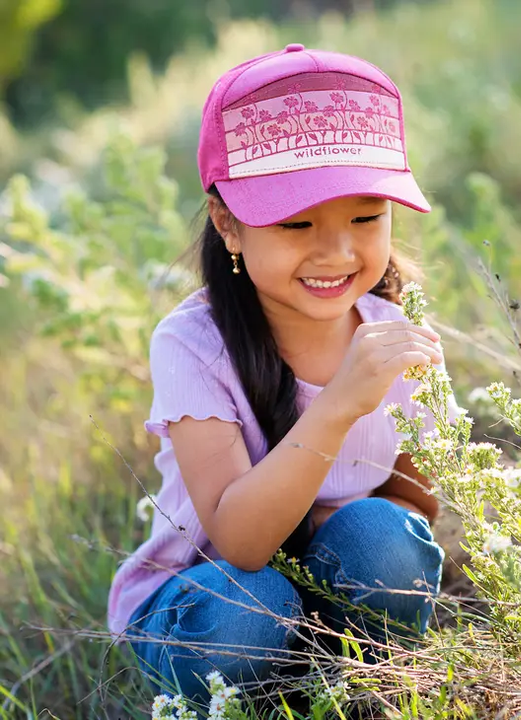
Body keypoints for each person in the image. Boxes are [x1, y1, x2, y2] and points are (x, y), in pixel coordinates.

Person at [108, 43, 460, 703]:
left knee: (385, 542)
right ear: (228, 224)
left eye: (366, 216)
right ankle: (262, 694)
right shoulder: (192, 345)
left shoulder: (385, 331)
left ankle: (350, 681)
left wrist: (348, 530)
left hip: (320, 586)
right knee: (250, 608)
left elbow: (417, 502)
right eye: (297, 222)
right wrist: (338, 406)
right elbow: (239, 543)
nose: (339, 250)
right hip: (207, 595)